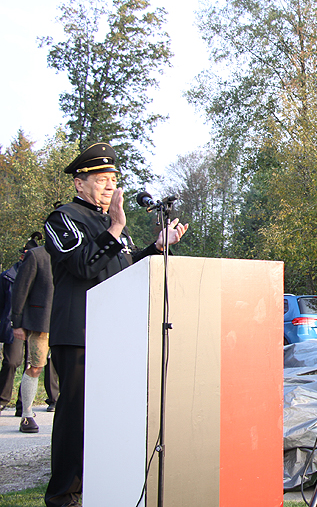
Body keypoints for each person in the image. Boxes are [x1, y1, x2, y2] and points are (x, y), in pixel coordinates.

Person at [44, 143, 188, 507]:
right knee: (76, 416)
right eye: (101, 180)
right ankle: (63, 494)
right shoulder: (63, 218)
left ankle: (100, 484)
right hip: (79, 332)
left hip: (113, 333)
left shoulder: (110, 226)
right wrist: (117, 226)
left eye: (113, 181)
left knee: (109, 415)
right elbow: (83, 266)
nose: (109, 187)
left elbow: (122, 268)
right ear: (79, 183)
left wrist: (156, 248)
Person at [11, 241, 55, 433]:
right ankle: (27, 415)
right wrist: (17, 322)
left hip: (66, 320)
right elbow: (21, 289)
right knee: (35, 366)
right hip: (40, 322)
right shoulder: (36, 255)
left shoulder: (74, 255)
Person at [0, 242, 29, 415]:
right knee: (11, 361)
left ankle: (23, 405)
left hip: (33, 324)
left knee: (31, 365)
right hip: (14, 325)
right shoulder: (6, 277)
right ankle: (3, 399)